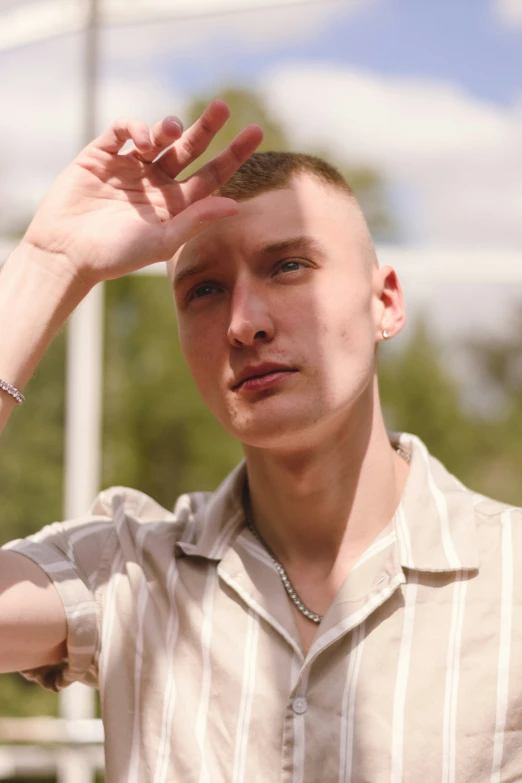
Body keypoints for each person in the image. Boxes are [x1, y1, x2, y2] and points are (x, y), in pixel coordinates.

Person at [0, 99, 520, 783]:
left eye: (288, 267)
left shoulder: (509, 578)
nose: (243, 323)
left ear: (385, 302)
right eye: (205, 289)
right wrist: (48, 263)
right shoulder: (126, 572)